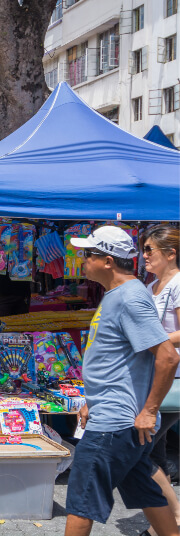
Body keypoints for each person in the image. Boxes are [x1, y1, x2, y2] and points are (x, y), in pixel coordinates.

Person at [64, 226, 180, 536]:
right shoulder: (121, 293)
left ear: (107, 261)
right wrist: (92, 400)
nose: (82, 259)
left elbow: (167, 357)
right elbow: (118, 359)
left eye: (87, 254)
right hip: (116, 416)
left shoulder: (129, 297)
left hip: (115, 424)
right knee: (147, 493)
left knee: (81, 499)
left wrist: (150, 411)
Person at [141, 224, 180, 531]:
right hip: (153, 375)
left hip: (172, 379)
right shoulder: (151, 285)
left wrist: (150, 339)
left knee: (141, 449)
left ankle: (175, 517)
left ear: (170, 254)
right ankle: (162, 523)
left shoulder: (178, 284)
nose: (144, 256)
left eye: (149, 250)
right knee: (154, 448)